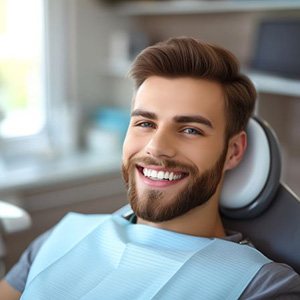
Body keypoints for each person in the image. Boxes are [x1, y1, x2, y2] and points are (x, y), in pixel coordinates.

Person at [1, 37, 300, 299]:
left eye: (190, 130)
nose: (156, 147)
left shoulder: (261, 286)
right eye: (145, 123)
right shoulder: (65, 236)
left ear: (233, 151)